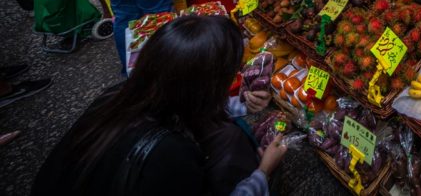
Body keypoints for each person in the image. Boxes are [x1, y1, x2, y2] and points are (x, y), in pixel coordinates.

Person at [31, 16, 286, 196]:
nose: (236, 78)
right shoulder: (169, 155)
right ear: (207, 84)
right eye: (232, 73)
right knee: (232, 137)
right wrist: (263, 171)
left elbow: (192, 107)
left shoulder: (121, 95)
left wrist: (243, 105)